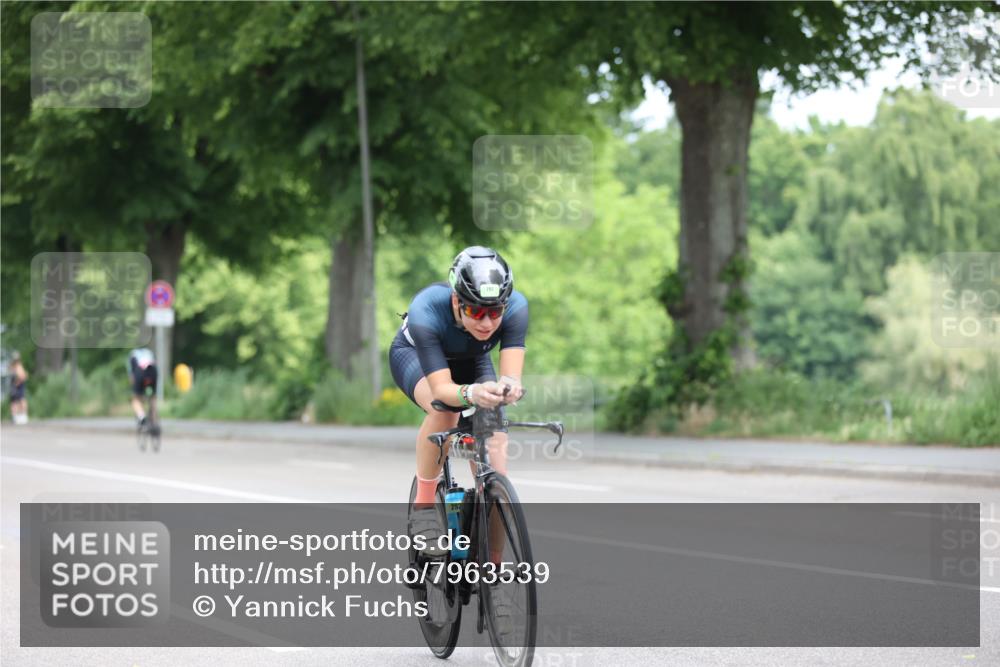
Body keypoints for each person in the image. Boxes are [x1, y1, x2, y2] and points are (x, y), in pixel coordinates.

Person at [390, 246, 527, 557]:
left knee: (497, 473)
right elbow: (441, 389)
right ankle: (424, 507)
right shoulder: (426, 308)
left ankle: (491, 576)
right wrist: (470, 394)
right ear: (456, 300)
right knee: (448, 410)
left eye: (495, 312)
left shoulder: (517, 308)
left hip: (473, 361)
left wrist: (510, 388)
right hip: (417, 359)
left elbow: (510, 376)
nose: (487, 322)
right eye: (476, 311)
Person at [127, 347, 158, 427]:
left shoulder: (132, 354)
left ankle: (142, 416)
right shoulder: (149, 352)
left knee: (136, 399)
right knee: (153, 397)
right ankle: (154, 421)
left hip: (140, 372)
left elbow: (131, 376)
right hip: (153, 372)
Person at [9, 352, 28, 425]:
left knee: (21, 400)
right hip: (14, 386)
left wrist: (18, 382)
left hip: (18, 386)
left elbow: (23, 376)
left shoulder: (19, 366)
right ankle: (16, 416)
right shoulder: (13, 366)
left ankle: (22, 416)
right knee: (14, 401)